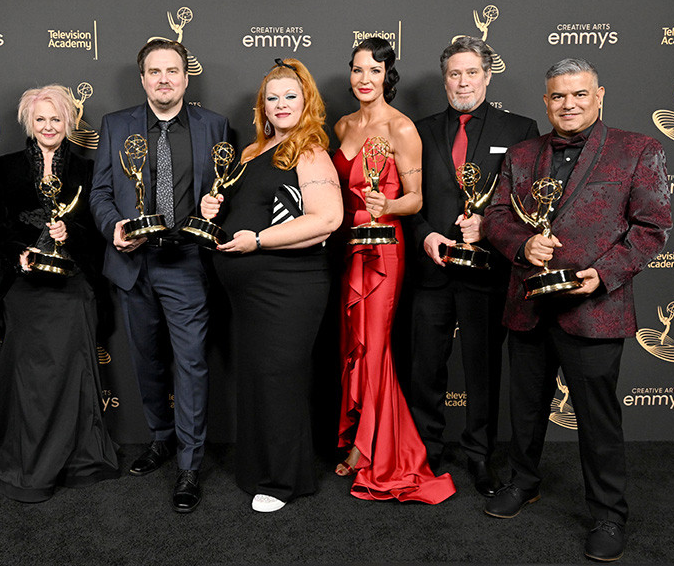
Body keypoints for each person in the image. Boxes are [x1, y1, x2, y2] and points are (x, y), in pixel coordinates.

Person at [482, 58, 671, 562]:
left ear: (599, 95)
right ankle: (524, 482)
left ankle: (608, 513)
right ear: (546, 101)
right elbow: (496, 214)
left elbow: (652, 227)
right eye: (559, 96)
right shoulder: (522, 154)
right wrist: (522, 245)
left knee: (597, 418)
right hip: (528, 303)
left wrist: (603, 274)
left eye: (580, 94)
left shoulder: (638, 148)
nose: (569, 104)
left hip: (595, 307)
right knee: (525, 408)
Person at [89, 39, 230, 513]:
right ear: (143, 78)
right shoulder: (115, 125)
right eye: (155, 71)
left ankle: (189, 464)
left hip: (186, 261)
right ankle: (161, 437)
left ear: (186, 78)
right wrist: (115, 228)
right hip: (134, 262)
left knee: (190, 364)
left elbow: (224, 190)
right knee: (147, 360)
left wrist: (216, 205)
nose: (164, 79)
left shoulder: (213, 126)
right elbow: (100, 192)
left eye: (172, 71)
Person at [201, 58, 342, 512]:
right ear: (262, 106)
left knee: (280, 379)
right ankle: (259, 468)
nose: (281, 105)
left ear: (306, 103)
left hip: (289, 288)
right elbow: (247, 208)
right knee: (259, 379)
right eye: (272, 97)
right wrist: (212, 209)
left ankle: (283, 481)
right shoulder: (251, 153)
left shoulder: (309, 152)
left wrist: (258, 240)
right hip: (247, 293)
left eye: (290, 97)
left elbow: (327, 219)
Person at [405, 37, 539, 496]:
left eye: (471, 73)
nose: (463, 82)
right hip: (432, 269)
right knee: (425, 366)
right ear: (445, 80)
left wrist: (490, 227)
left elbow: (529, 201)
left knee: (482, 370)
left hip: (487, 271)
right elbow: (407, 199)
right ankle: (425, 450)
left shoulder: (520, 129)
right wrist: (426, 234)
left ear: (487, 75)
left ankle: (480, 455)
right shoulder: (418, 131)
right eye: (454, 74)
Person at [331, 37, 455, 503]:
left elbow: (416, 198)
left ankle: (371, 451)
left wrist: (386, 205)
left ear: (388, 76)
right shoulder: (343, 124)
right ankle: (359, 435)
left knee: (376, 346)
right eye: (358, 69)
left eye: (375, 71)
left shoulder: (401, 128)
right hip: (347, 246)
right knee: (354, 343)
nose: (365, 79)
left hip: (383, 250)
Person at [0, 85, 120, 502]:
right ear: (29, 122)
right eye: (40, 119)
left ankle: (76, 457)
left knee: (71, 370)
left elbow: (99, 229)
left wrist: (69, 233)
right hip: (22, 284)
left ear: (69, 122)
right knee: (31, 376)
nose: (48, 126)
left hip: (73, 283)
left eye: (56, 119)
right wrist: (19, 253)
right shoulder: (4, 168)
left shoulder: (88, 170)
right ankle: (28, 459)